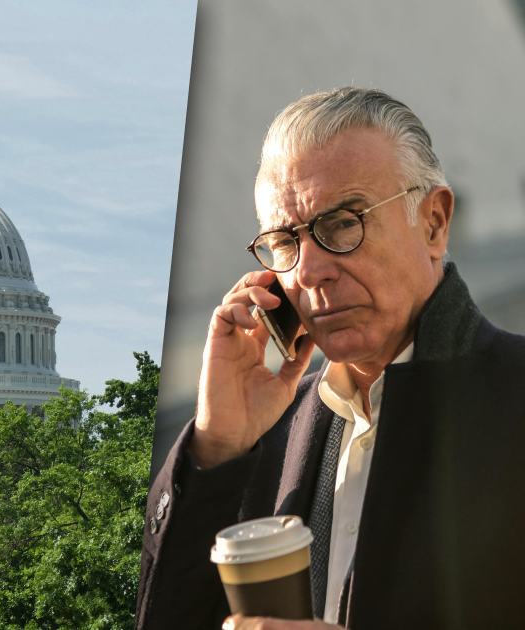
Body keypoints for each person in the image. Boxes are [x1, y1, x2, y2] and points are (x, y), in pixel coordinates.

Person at [136, 88, 525, 629]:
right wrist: (217, 448)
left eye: (343, 222)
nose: (309, 271)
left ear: (434, 223)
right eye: (283, 241)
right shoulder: (260, 431)